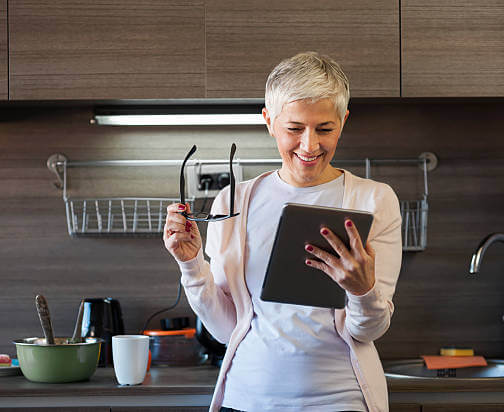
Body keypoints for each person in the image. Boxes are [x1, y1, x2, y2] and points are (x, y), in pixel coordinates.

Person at [163, 51, 402, 412]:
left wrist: (363, 290)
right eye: (294, 128)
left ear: (344, 120)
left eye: (325, 128)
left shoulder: (374, 200)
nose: (310, 145)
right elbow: (228, 329)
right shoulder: (232, 203)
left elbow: (367, 330)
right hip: (246, 400)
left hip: (340, 403)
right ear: (269, 120)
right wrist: (191, 264)